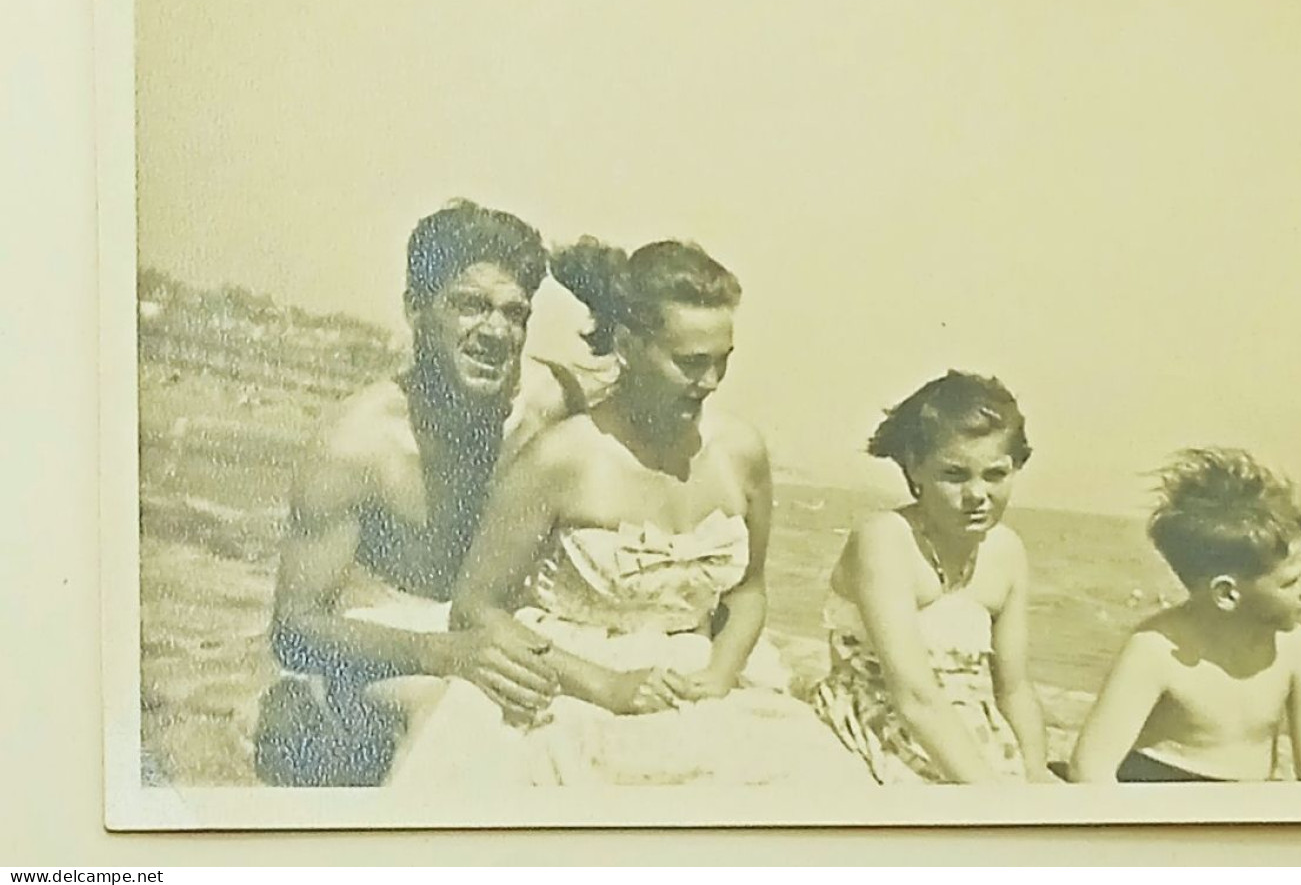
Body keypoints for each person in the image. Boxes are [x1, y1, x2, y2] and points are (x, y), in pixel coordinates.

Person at [386, 237, 868, 786]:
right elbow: (475, 607)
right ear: (629, 346)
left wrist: (719, 674)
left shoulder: (741, 453)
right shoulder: (561, 457)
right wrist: (605, 686)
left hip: (693, 676)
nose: (708, 383)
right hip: (566, 681)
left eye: (721, 363)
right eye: (689, 363)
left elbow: (749, 591)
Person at [255, 200, 587, 786]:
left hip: (500, 630)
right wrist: (444, 653)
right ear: (415, 309)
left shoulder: (549, 403)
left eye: (515, 313)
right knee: (460, 720)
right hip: (391, 640)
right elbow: (295, 629)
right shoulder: (357, 445)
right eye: (470, 305)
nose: (496, 331)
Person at [810, 371, 1054, 784]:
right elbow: (914, 697)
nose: (977, 494)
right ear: (915, 468)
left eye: (995, 475)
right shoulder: (886, 539)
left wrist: (1036, 773)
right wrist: (993, 795)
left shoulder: (1006, 551)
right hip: (882, 719)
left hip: (972, 731)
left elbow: (1013, 689)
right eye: (955, 475)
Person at [1066, 448, 1301, 783]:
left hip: (1241, 812)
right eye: (1291, 581)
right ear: (1227, 594)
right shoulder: (1155, 651)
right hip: (1155, 801)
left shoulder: (1299, 651)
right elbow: (1089, 768)